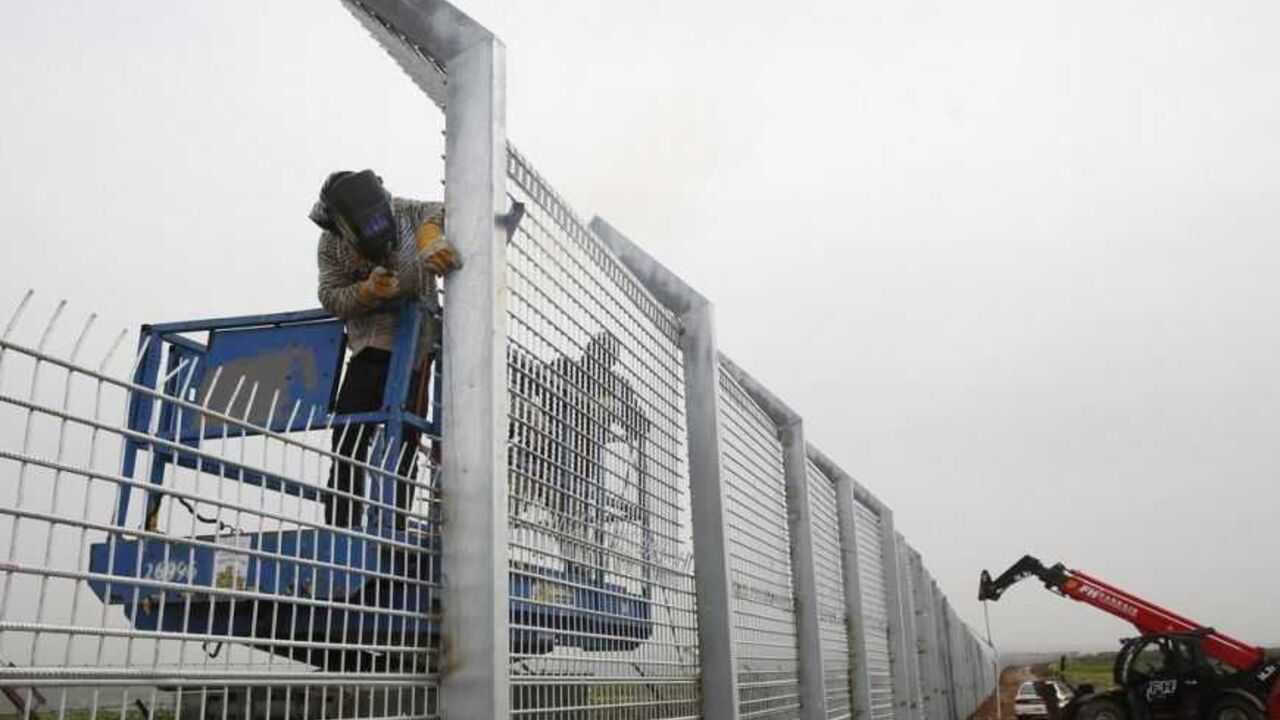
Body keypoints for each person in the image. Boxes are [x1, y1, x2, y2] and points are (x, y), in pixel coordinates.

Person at [312, 169, 459, 528]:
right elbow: (330, 295)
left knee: (406, 440)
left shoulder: (407, 212)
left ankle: (392, 524)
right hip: (370, 347)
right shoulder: (332, 244)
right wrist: (365, 293)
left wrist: (430, 235)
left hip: (416, 349)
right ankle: (342, 525)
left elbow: (447, 208)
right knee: (349, 438)